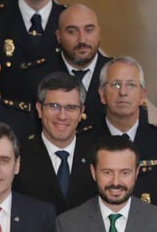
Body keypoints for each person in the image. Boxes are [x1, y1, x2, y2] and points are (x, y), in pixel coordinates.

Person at [14, 72, 97, 212]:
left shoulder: (96, 156)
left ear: (81, 111)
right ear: (39, 109)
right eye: (54, 106)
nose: (62, 116)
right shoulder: (18, 157)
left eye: (71, 107)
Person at [26, 3, 111, 123]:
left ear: (99, 32)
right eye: (72, 32)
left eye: (89, 30)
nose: (82, 39)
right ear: (58, 36)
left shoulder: (115, 73)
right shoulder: (37, 76)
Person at [91, 57, 157, 162]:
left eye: (131, 85)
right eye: (116, 85)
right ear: (102, 94)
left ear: (142, 95)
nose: (123, 92)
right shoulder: (84, 141)